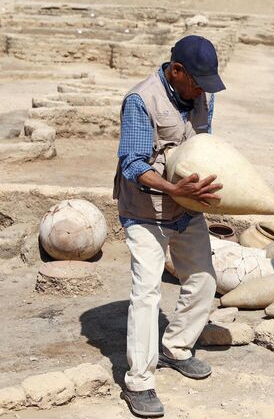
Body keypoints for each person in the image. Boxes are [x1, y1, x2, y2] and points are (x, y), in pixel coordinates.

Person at [112, 35, 226, 417]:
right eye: (197, 82)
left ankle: (176, 347)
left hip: (185, 208)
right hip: (145, 211)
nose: (202, 92)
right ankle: (139, 383)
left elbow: (204, 146)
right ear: (176, 70)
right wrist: (173, 187)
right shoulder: (141, 101)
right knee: (147, 292)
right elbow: (133, 164)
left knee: (204, 279)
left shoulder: (199, 94)